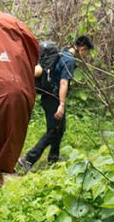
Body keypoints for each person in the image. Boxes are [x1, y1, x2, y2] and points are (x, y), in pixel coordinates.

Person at [18, 35, 93, 170]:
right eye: (86, 51)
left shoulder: (63, 52)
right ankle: (28, 159)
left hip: (50, 96)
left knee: (60, 128)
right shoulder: (69, 60)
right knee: (53, 130)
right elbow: (63, 82)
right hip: (53, 98)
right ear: (82, 48)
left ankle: (53, 157)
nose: (86, 55)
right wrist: (62, 105)